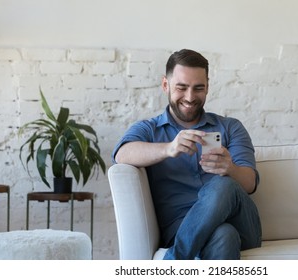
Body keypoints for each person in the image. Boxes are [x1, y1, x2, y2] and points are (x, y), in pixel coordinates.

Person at [112, 49, 261, 260]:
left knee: (224, 184)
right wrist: (168, 148)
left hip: (243, 224)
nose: (190, 97)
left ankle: (174, 262)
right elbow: (122, 154)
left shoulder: (230, 127)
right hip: (180, 227)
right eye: (181, 88)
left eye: (198, 88)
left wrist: (231, 169)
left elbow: (250, 183)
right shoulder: (150, 130)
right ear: (166, 85)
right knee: (224, 235)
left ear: (207, 87)